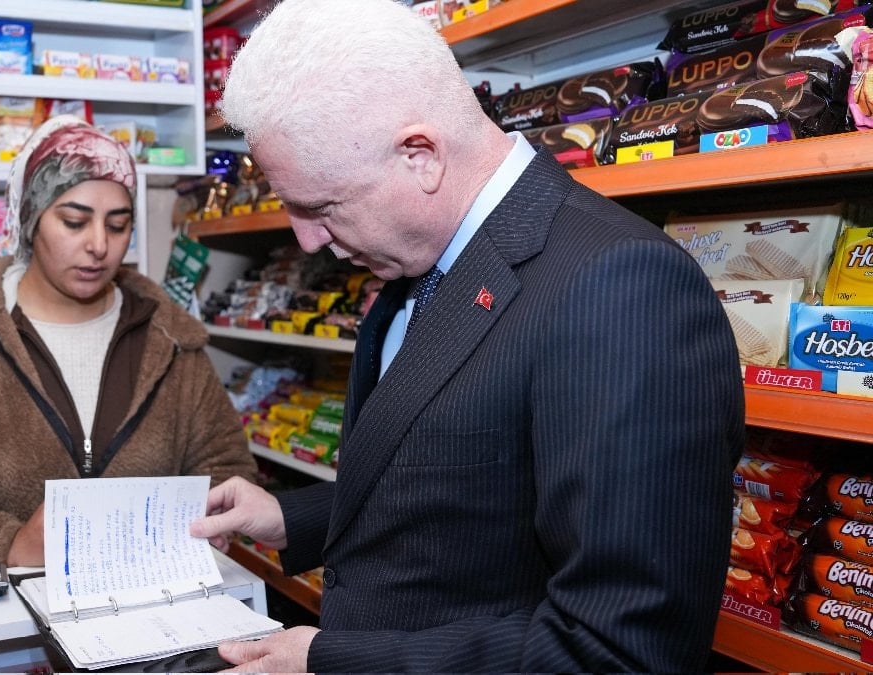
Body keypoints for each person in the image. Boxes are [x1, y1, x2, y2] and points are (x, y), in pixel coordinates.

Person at [188, 1, 746, 672]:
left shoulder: (618, 285)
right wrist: (291, 516)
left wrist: (329, 660)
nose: (310, 241)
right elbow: (467, 483)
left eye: (321, 208)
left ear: (419, 155)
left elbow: (619, 647)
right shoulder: (419, 263)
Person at [0, 116, 257, 575]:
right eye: (73, 221)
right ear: (31, 221)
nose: (99, 246)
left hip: (150, 610)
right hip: (6, 626)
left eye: (119, 224)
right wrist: (7, 544)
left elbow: (226, 467)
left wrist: (212, 517)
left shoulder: (171, 341)